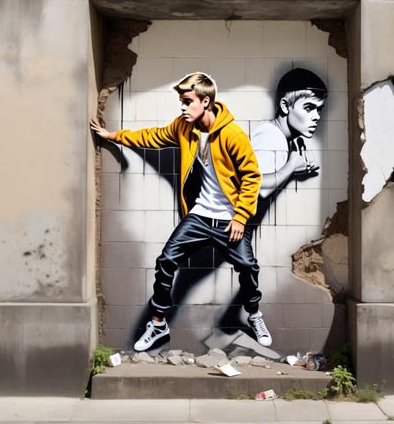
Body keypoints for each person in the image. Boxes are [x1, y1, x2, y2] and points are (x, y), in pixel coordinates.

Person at [90, 72, 272, 351]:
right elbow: (152, 137)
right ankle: (158, 323)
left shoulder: (232, 134)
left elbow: (252, 176)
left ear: (206, 102)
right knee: (166, 261)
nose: (183, 107)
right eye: (182, 102)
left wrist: (240, 217)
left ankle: (254, 314)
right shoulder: (184, 128)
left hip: (230, 220)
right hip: (199, 216)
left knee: (248, 267)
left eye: (188, 101)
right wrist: (113, 136)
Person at [251, 68, 327, 199]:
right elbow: (258, 189)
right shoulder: (270, 134)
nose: (317, 117)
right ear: (285, 106)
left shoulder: (282, 137)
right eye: (308, 108)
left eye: (319, 109)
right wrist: (292, 166)